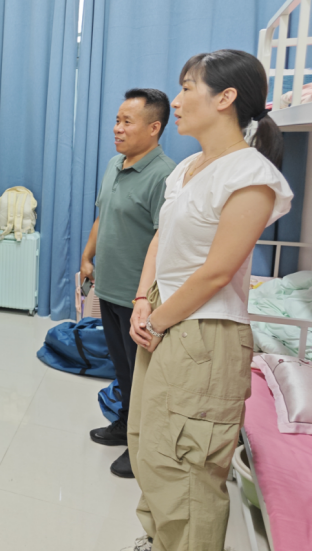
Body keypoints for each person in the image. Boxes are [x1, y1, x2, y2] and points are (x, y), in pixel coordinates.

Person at [124, 49, 293, 551]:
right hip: (164, 312)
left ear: (225, 98)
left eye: (186, 88)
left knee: (188, 468)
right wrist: (143, 298)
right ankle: (158, 539)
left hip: (203, 330)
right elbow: (161, 238)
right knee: (150, 445)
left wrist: (159, 319)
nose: (175, 102)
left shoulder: (251, 176)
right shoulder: (187, 168)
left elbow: (218, 270)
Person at [82, 89, 175, 479]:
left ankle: (141, 448)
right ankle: (124, 425)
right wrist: (87, 257)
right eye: (116, 120)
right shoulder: (114, 164)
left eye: (126, 122)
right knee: (121, 369)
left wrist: (146, 297)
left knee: (143, 378)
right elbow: (103, 215)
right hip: (109, 287)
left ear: (154, 128)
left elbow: (164, 241)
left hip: (139, 299)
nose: (117, 129)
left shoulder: (165, 175)